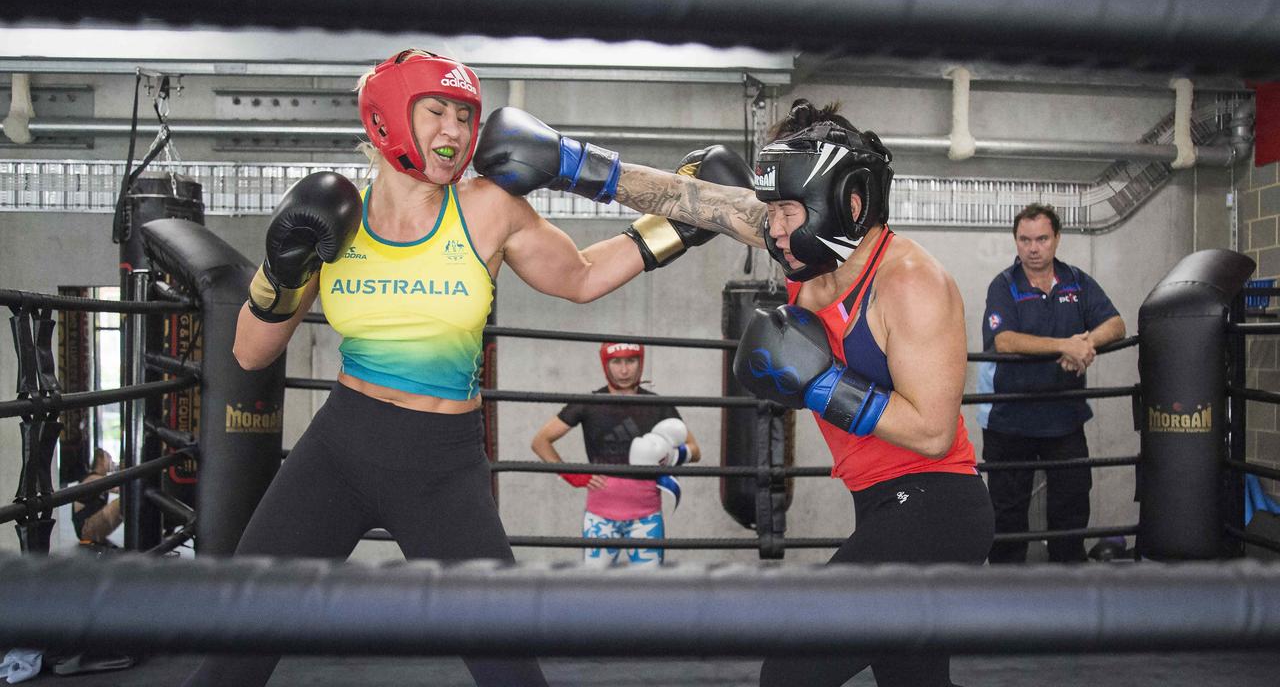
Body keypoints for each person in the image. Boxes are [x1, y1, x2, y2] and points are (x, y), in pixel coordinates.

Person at [181, 49, 729, 687]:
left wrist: (678, 226)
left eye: (466, 116)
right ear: (386, 120)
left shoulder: (485, 208)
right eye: (436, 112)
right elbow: (249, 352)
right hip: (340, 448)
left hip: (442, 464)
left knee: (507, 665)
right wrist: (280, 271)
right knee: (238, 643)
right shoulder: (335, 218)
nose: (456, 132)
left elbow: (579, 277)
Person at [477, 98, 994, 687]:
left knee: (790, 672)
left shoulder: (913, 283)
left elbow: (931, 429)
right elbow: (684, 197)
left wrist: (822, 384)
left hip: (936, 510)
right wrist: (570, 163)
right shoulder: (805, 245)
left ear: (848, 203)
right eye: (769, 213)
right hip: (880, 504)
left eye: (786, 212)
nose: (771, 230)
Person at [978, 203, 1125, 564]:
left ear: (1057, 239)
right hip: (1011, 420)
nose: (1033, 248)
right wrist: (1064, 345)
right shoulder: (1004, 285)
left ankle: (1071, 589)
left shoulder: (1077, 280)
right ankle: (1003, 597)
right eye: (1025, 239)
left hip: (1065, 416)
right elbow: (1005, 341)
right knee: (1006, 515)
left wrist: (1085, 344)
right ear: (1016, 241)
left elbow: (1116, 324)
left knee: (1071, 506)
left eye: (1041, 238)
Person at [531, 342, 702, 566]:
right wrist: (571, 474)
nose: (624, 370)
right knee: (595, 590)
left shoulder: (658, 404)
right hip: (600, 518)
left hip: (646, 518)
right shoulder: (588, 403)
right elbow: (540, 441)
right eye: (616, 362)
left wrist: (670, 456)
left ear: (640, 363)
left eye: (630, 361)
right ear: (606, 364)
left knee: (649, 591)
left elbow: (695, 450)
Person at [72, 448, 122, 548]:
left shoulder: (99, 479)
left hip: (90, 526)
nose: (111, 462)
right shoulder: (92, 479)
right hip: (86, 530)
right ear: (100, 459)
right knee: (123, 502)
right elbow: (117, 488)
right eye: (109, 458)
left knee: (127, 499)